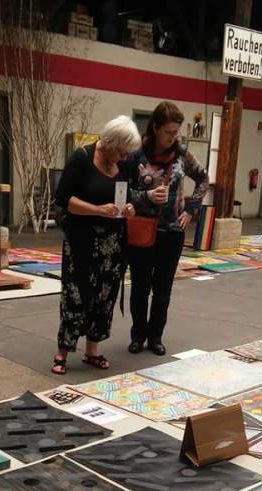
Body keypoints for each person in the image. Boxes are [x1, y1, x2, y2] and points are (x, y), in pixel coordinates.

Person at [52, 116, 140, 375]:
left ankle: (92, 351)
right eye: (122, 151)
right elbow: (63, 199)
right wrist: (97, 210)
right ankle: (63, 351)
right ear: (110, 142)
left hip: (112, 244)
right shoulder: (82, 158)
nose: (124, 157)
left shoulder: (121, 165)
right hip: (83, 240)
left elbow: (126, 195)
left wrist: (130, 207)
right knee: (76, 295)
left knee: (104, 296)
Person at [124, 102, 209, 356]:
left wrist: (190, 209)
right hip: (142, 229)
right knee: (140, 287)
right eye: (168, 132)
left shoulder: (182, 154)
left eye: (176, 132)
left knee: (163, 289)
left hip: (172, 232)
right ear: (155, 127)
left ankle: (156, 336)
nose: (173, 137)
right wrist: (147, 196)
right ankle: (138, 335)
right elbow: (122, 190)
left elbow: (203, 178)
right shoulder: (137, 155)